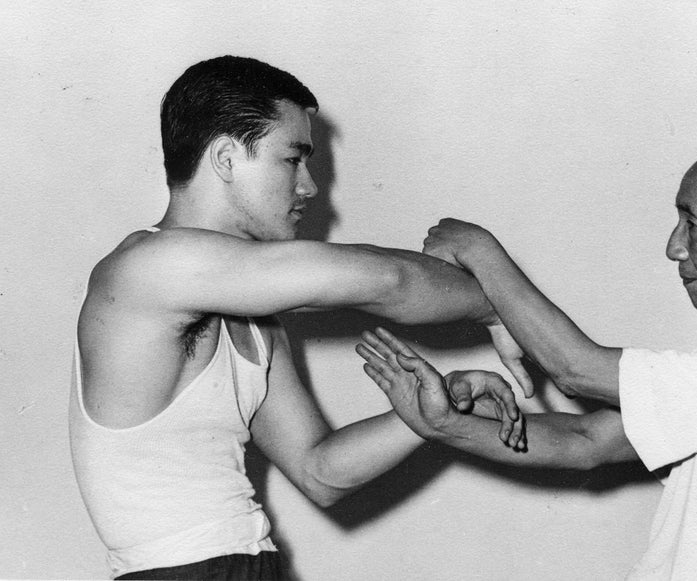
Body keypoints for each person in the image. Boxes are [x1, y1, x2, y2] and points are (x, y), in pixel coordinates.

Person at [69, 55, 530, 580]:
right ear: (225, 157)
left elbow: (321, 471)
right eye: (292, 159)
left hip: (251, 565)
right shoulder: (147, 268)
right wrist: (499, 308)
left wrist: (434, 410)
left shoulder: (253, 317)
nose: (309, 187)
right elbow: (385, 280)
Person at [356, 139, 697, 580]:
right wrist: (446, 424)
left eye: (694, 225)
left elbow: (577, 368)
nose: (674, 247)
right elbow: (587, 441)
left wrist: (480, 250)